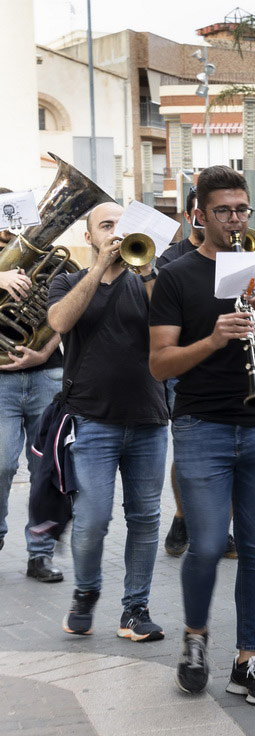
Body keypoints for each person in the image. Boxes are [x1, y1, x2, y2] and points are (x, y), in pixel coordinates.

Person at [149, 165, 255, 705]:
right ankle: (195, 640)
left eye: (242, 209)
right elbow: (160, 364)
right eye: (224, 210)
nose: (236, 219)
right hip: (201, 426)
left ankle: (247, 660)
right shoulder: (175, 277)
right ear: (200, 214)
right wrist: (213, 340)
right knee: (208, 544)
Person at [47, 202, 168, 640]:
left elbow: (171, 325)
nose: (116, 232)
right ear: (89, 237)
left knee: (145, 517)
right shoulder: (67, 281)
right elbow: (60, 321)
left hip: (149, 418)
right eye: (106, 225)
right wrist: (98, 267)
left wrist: (149, 271)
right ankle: (86, 591)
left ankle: (135, 609)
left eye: (122, 224)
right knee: (93, 518)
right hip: (91, 419)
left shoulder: (151, 280)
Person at [159, 187, 235, 560]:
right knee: (188, 452)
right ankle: (183, 515)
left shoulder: (240, 253)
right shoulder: (172, 259)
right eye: (215, 211)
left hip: (233, 368)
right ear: (194, 215)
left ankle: (223, 528)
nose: (228, 219)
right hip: (187, 370)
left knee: (234, 451)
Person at [0, 186, 66, 583]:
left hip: (45, 373)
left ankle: (40, 554)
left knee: (45, 467)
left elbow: (65, 310)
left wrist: (44, 353)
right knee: (1, 464)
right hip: (1, 381)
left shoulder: (49, 256)